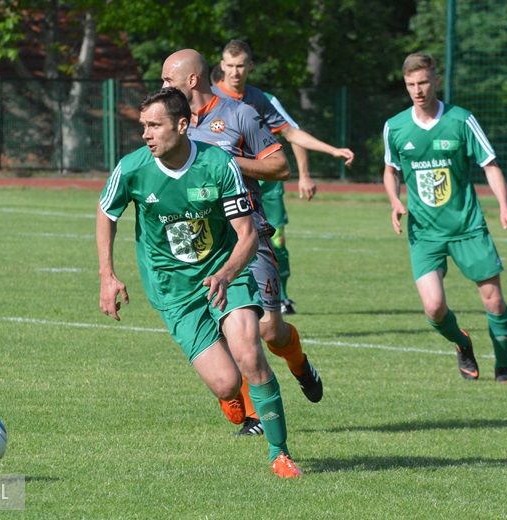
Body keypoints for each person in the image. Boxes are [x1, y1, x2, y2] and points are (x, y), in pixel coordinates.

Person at [96, 87, 301, 477]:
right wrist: (107, 275)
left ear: (182, 125)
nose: (146, 134)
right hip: (173, 290)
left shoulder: (218, 164)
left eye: (155, 125)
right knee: (226, 383)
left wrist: (226, 274)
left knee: (250, 354)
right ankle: (228, 395)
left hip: (225, 274)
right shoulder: (133, 168)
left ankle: (280, 454)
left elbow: (247, 235)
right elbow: (106, 212)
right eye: (143, 126)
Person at [161, 49, 323, 436]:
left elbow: (279, 166)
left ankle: (299, 363)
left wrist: (227, 161)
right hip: (203, 243)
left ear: (191, 81)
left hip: (247, 235)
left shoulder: (240, 115)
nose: (163, 86)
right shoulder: (172, 125)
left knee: (269, 330)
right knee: (226, 332)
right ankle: (252, 416)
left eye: (168, 79)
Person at [382, 52, 507, 383]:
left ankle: (503, 368)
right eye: (411, 84)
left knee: (494, 301)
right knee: (433, 307)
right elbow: (390, 170)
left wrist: (504, 206)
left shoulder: (461, 120)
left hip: (467, 226)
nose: (418, 90)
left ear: (436, 80)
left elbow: (490, 164)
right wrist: (394, 200)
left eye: (423, 82)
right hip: (424, 232)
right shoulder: (395, 127)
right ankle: (462, 342)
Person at [214, 39, 356, 315]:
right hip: (225, 188)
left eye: (240, 65)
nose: (235, 72)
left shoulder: (261, 100)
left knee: (275, 241)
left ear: (251, 66)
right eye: (230, 65)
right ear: (222, 65)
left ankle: (278, 298)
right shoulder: (210, 98)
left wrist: (329, 152)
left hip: (264, 186)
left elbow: (292, 133)